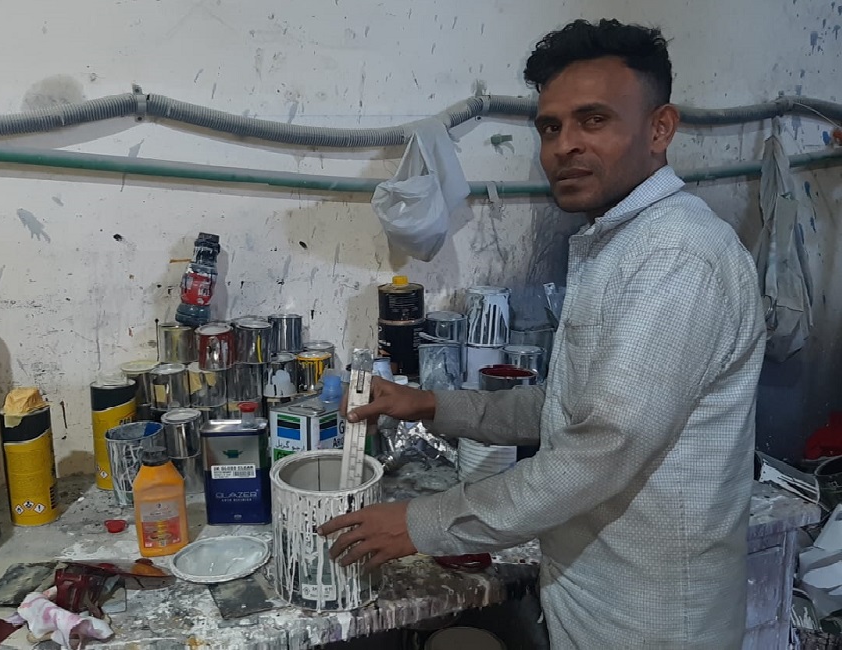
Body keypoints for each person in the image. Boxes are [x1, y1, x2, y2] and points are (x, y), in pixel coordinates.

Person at [319, 18, 766, 649]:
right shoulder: (618, 242)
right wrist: (432, 405)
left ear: (660, 129)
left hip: (652, 622)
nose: (564, 146)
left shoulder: (676, 257)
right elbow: (569, 407)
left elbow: (600, 450)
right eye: (550, 127)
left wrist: (423, 522)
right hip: (593, 598)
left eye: (594, 120)